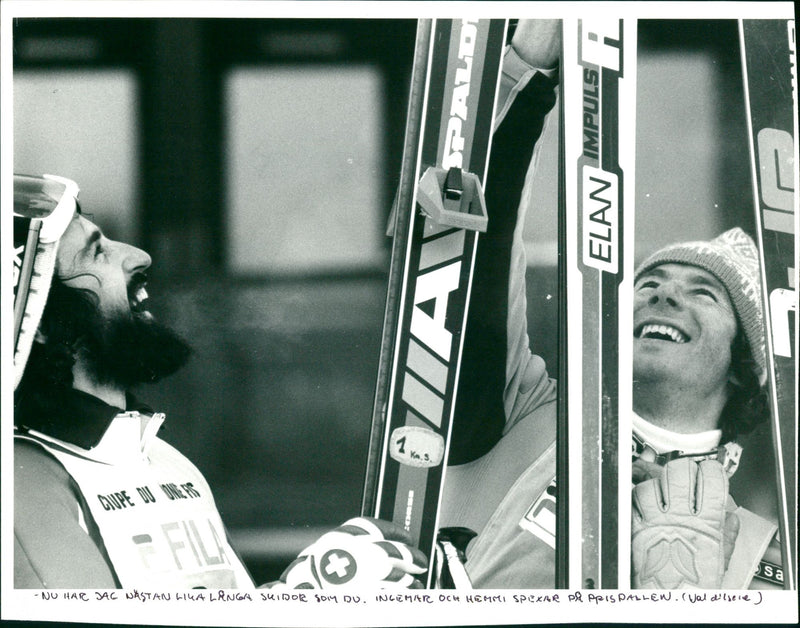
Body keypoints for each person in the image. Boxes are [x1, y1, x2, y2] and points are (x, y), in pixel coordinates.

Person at [437, 19, 783, 590]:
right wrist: (524, 70)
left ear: (743, 364)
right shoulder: (523, 414)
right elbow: (481, 254)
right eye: (649, 285)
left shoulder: (763, 550)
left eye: (704, 293)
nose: (664, 293)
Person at [12, 174, 426, 589]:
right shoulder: (20, 486)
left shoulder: (163, 458)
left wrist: (305, 593)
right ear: (45, 321)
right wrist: (299, 603)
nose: (139, 256)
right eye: (97, 252)